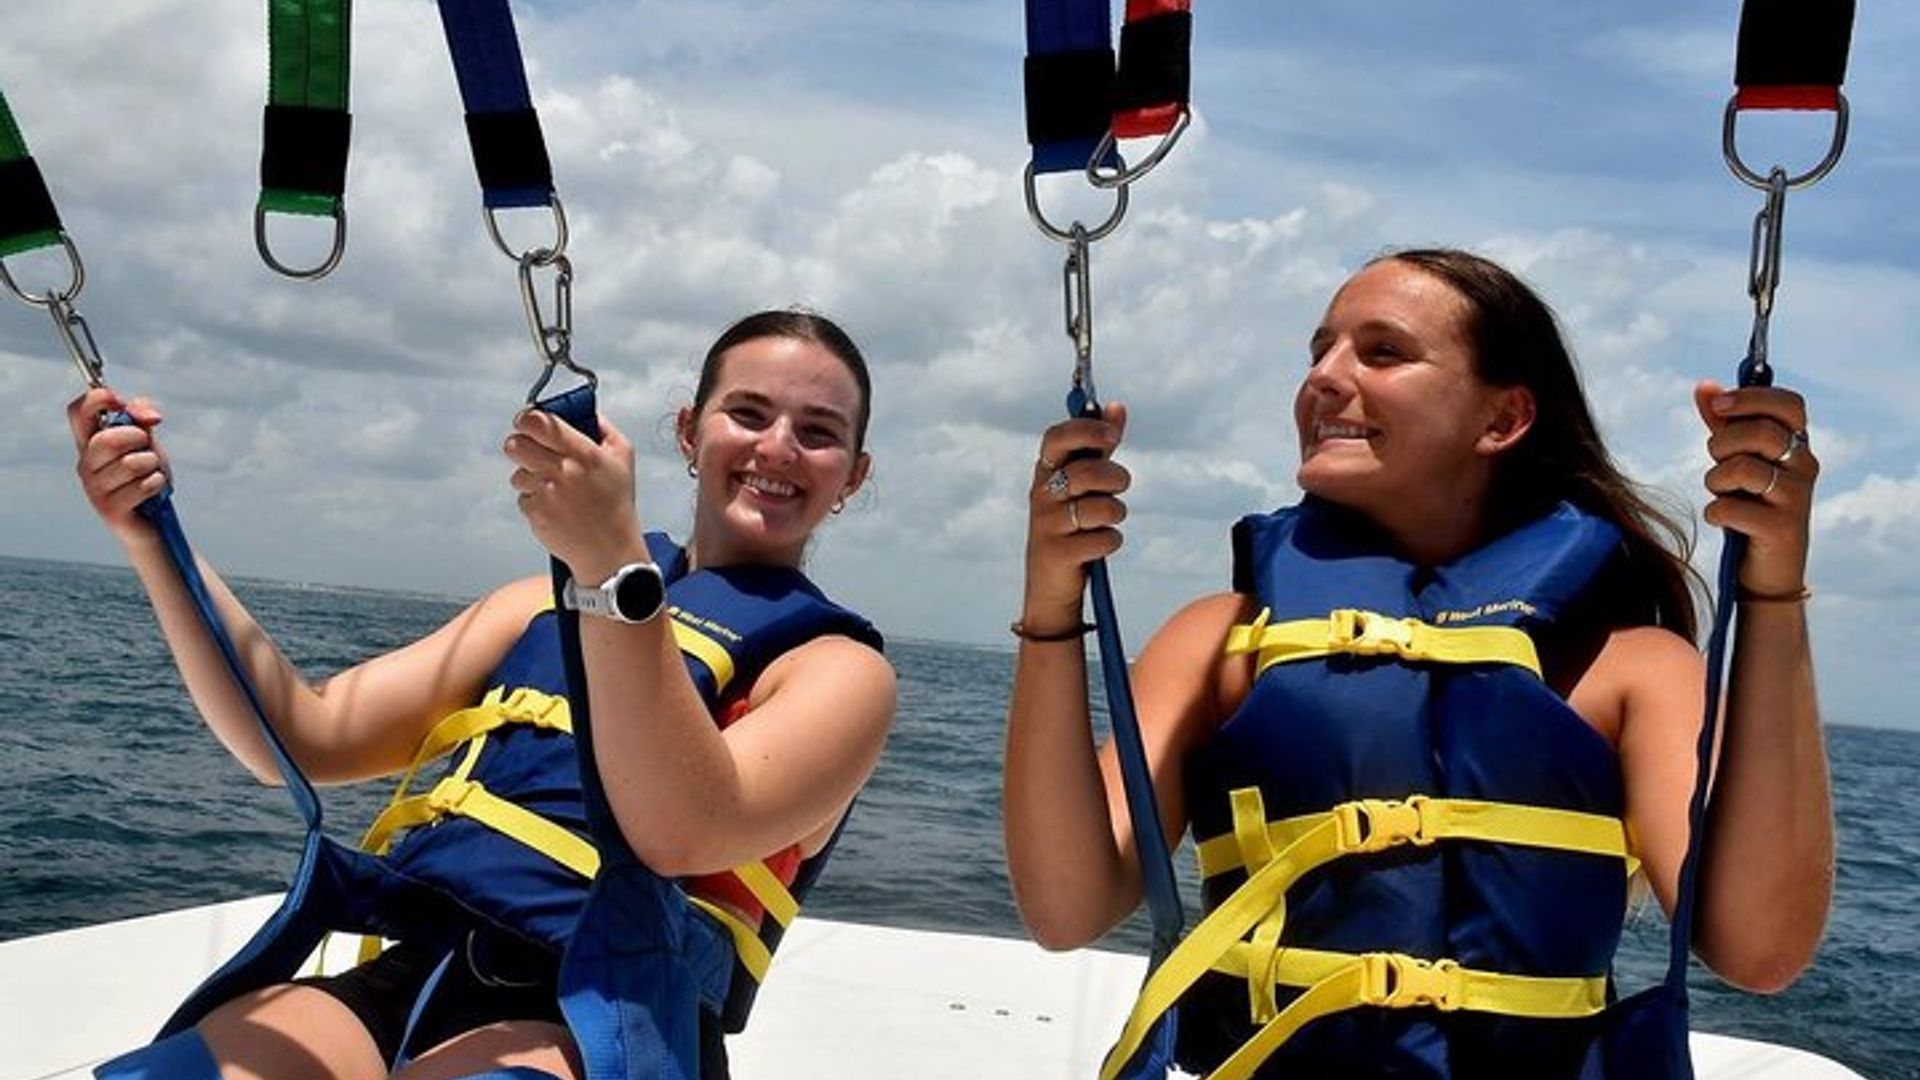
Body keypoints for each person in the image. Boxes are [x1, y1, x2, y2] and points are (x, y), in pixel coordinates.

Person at [1003, 249, 1831, 1078]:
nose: (1322, 378)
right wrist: (1050, 604)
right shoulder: (1219, 643)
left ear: (1502, 420)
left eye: (1382, 352)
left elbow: (1760, 950)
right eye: (1318, 350)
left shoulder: (1630, 670)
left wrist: (1771, 587)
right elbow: (1067, 907)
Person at [74, 310, 896, 1080]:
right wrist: (152, 538)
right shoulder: (534, 604)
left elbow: (681, 834)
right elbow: (302, 735)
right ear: (690, 431)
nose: (779, 447)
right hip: (418, 968)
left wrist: (611, 572)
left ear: (852, 478)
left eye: (818, 434)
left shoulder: (836, 671)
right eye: (748, 414)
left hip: (612, 1014)